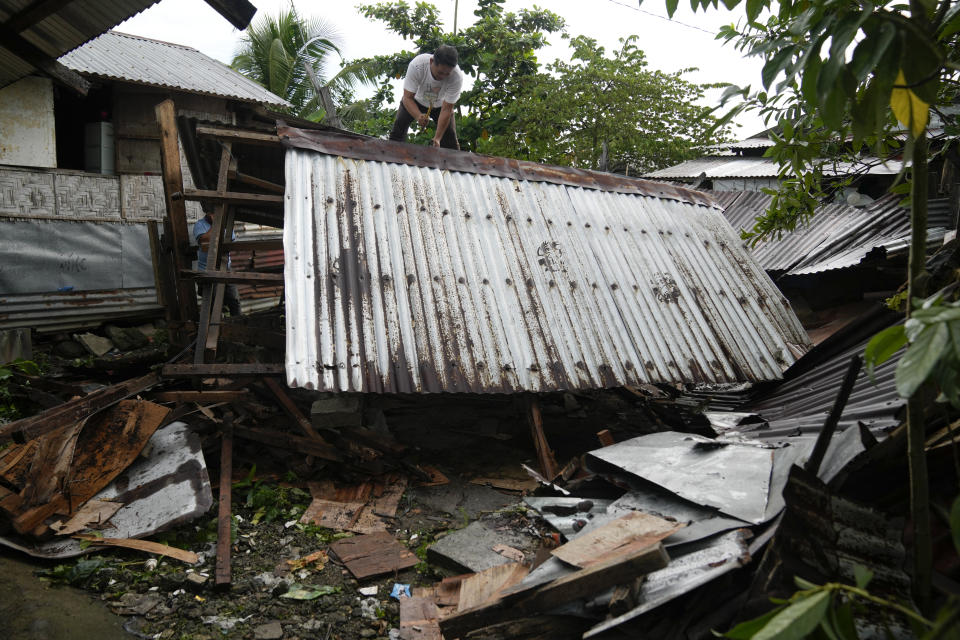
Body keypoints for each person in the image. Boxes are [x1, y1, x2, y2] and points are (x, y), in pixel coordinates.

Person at [389, 45, 463, 150]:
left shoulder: (456, 77)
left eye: (447, 74)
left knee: (450, 141)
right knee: (398, 130)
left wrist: (437, 138)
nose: (443, 77)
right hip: (415, 101)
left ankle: (454, 165)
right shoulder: (417, 65)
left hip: (440, 105)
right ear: (431, 61)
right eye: (440, 72)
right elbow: (407, 98)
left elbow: (447, 109)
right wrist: (418, 116)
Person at [194, 208, 241, 316]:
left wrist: (220, 224)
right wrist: (216, 224)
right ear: (209, 213)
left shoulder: (226, 225)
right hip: (207, 269)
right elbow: (203, 240)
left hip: (226, 267)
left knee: (234, 300)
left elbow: (230, 240)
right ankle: (214, 327)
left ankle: (238, 325)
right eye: (214, 214)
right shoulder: (200, 225)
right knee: (213, 302)